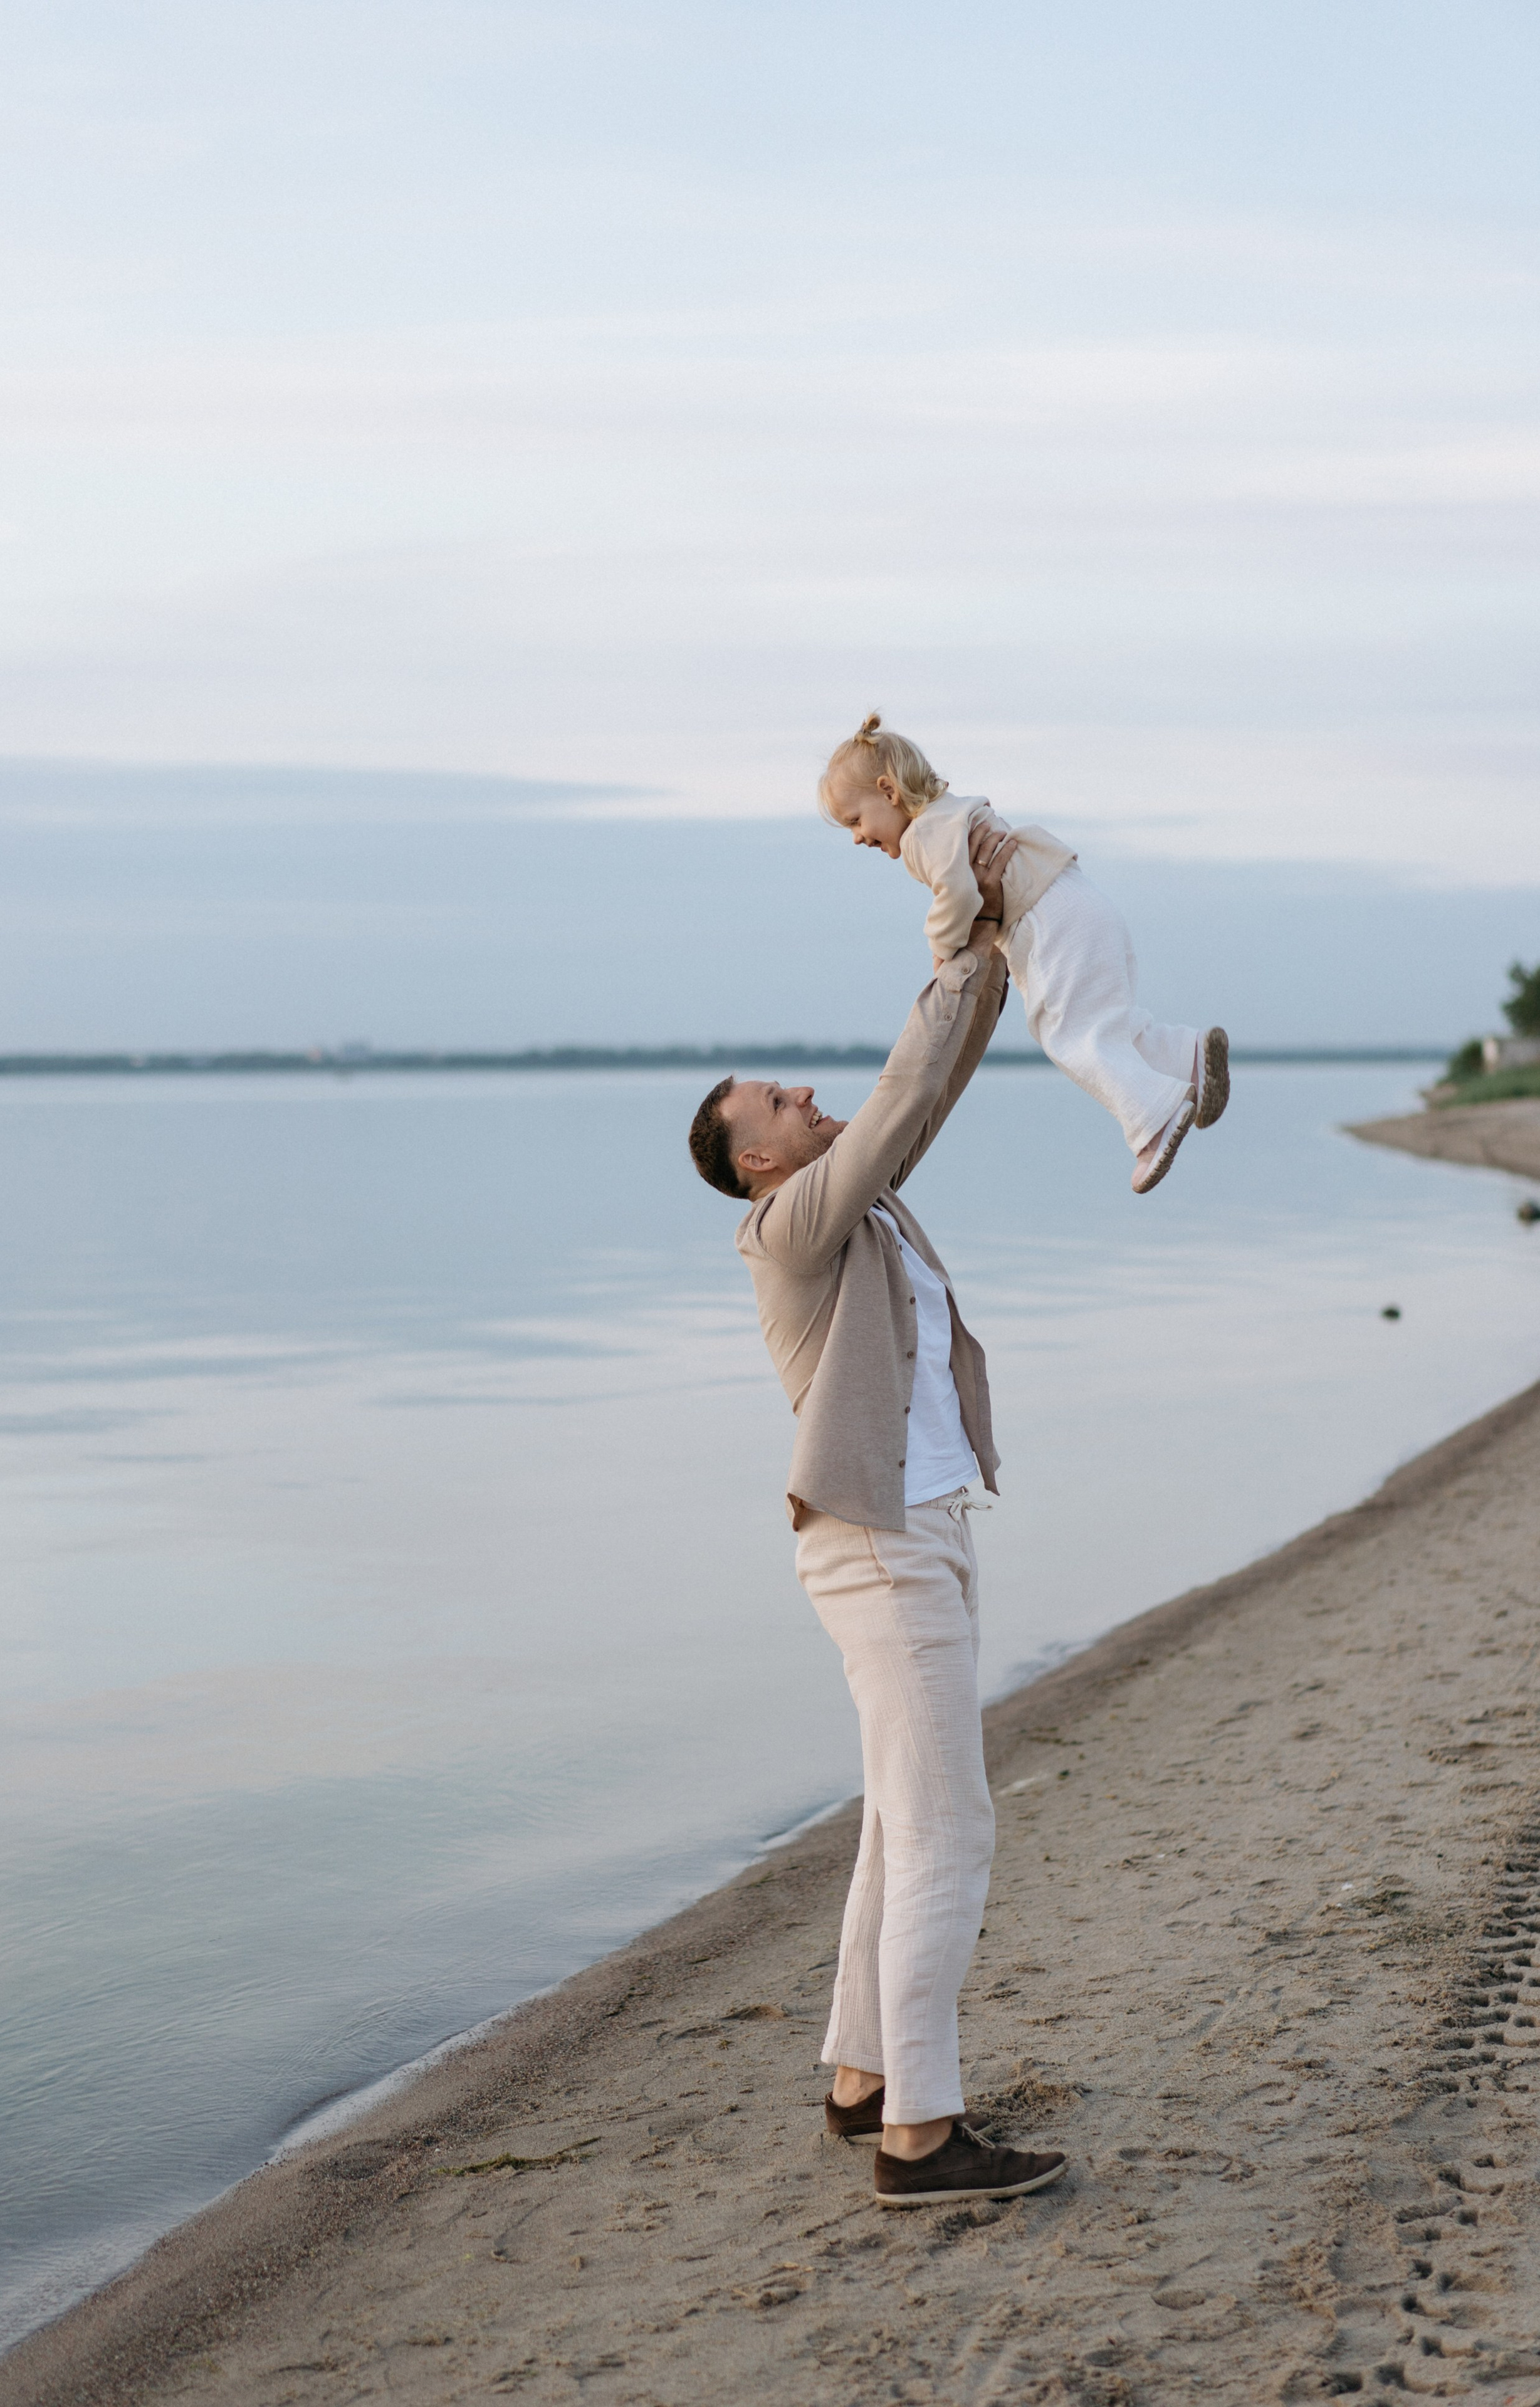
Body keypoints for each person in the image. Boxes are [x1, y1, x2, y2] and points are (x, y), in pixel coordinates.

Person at [686, 819, 1067, 2210]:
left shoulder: (858, 1201)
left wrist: (984, 956)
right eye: (771, 1104)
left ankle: (861, 2079)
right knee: (951, 1832)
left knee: (898, 1825)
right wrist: (940, 944)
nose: (800, 1090)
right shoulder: (784, 1232)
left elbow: (927, 1091)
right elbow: (900, 1094)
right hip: (873, 1550)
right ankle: (921, 2135)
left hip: (923, 1530)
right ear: (758, 1167)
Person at [820, 711, 1230, 1194]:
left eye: (856, 820)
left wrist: (942, 949)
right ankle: (1187, 1058)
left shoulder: (921, 836)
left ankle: (1153, 1122)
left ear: (889, 792)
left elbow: (955, 893)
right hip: (1078, 901)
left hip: (1047, 923)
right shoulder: (955, 809)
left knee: (1069, 1035)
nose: (857, 836)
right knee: (1105, 1024)